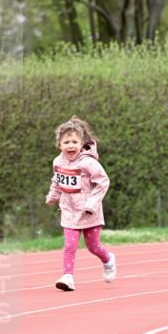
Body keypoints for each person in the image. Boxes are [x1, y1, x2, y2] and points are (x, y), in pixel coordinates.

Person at [45, 115, 116, 290]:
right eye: (66, 142)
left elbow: (103, 181)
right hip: (69, 210)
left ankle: (108, 260)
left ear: (81, 143)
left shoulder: (88, 162)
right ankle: (68, 277)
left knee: (93, 247)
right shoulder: (58, 161)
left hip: (89, 211)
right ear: (59, 145)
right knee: (70, 245)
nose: (71, 146)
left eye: (75, 142)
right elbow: (57, 180)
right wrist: (53, 196)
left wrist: (92, 203)